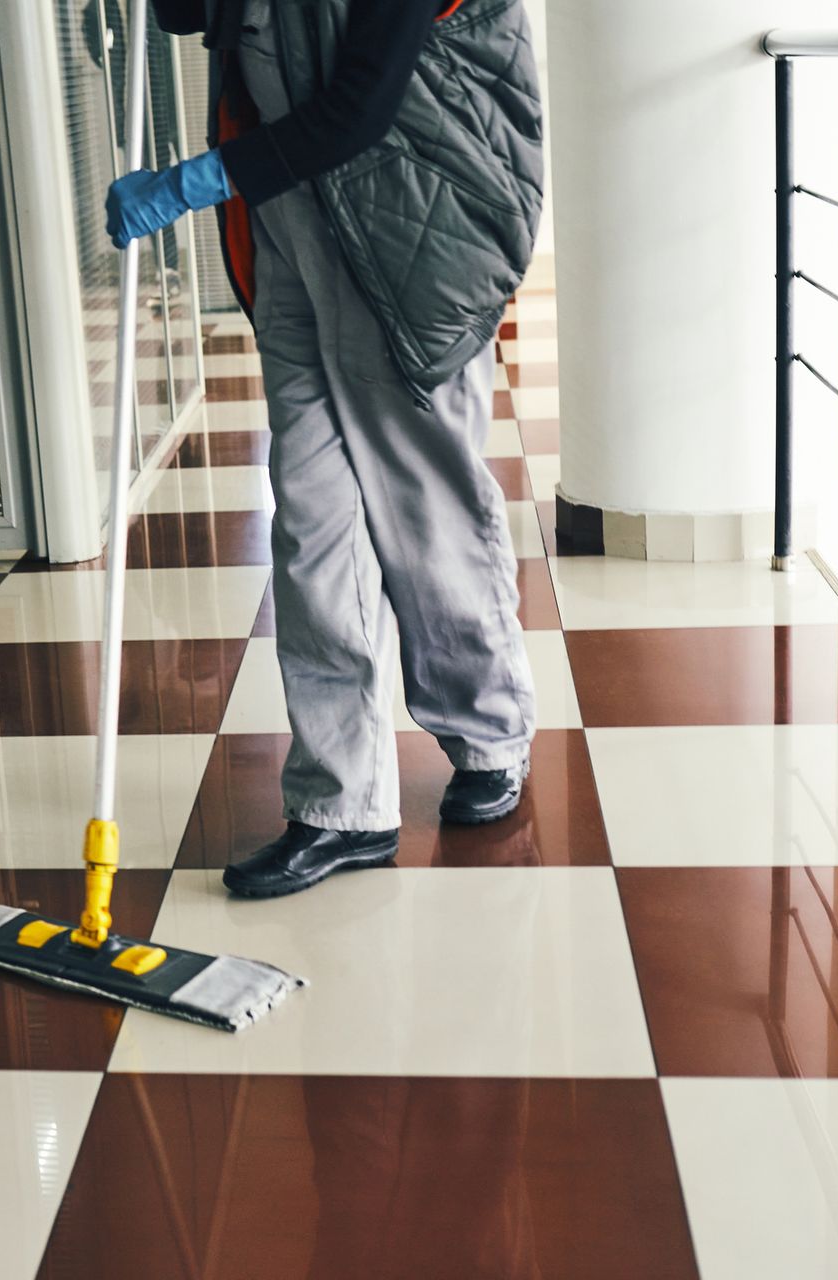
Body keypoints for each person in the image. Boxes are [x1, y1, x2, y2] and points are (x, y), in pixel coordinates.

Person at [108, 0, 545, 899]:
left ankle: (489, 734)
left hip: (408, 235)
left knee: (427, 509)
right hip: (294, 231)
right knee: (309, 526)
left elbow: (361, 105)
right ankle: (340, 805)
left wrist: (196, 181)